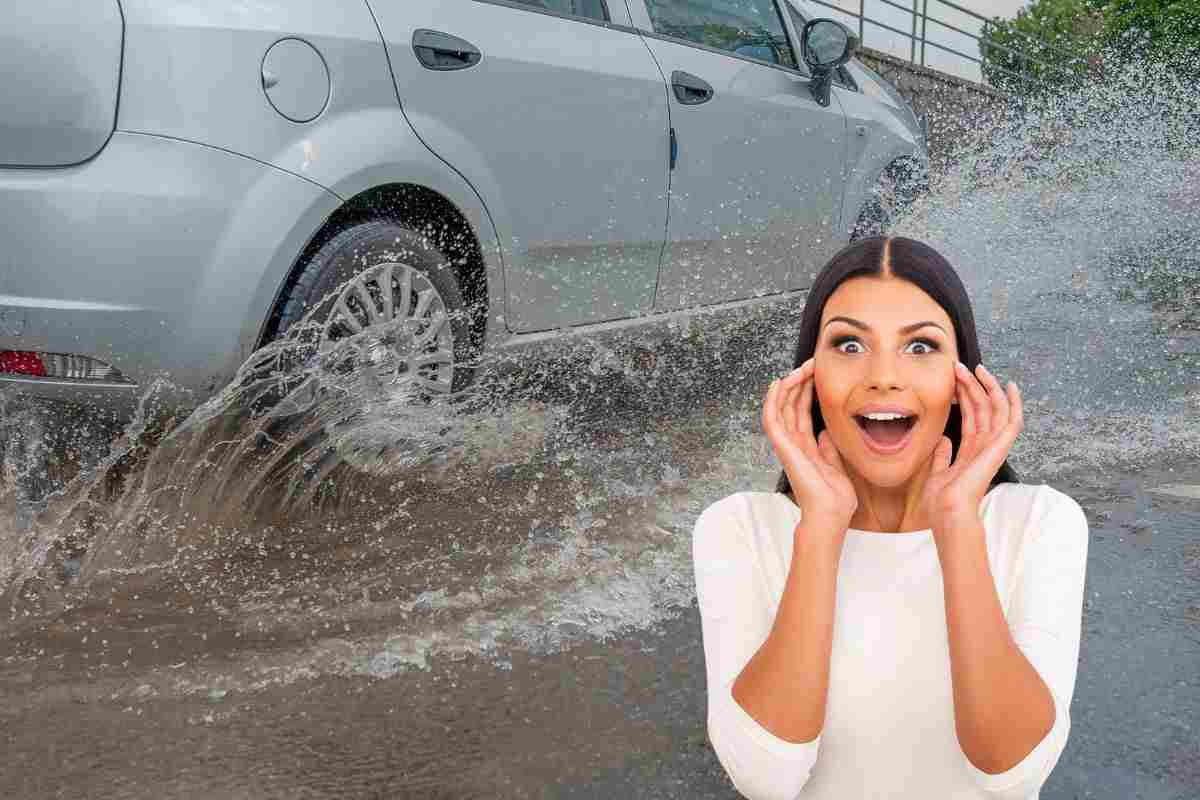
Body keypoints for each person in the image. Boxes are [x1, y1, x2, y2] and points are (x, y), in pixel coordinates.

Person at [691, 235, 1089, 800]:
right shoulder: (738, 530)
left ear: (963, 382)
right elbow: (765, 779)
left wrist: (956, 526)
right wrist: (822, 528)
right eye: (849, 345)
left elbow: (1012, 772)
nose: (882, 376)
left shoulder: (1040, 524)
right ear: (809, 377)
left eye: (920, 347)